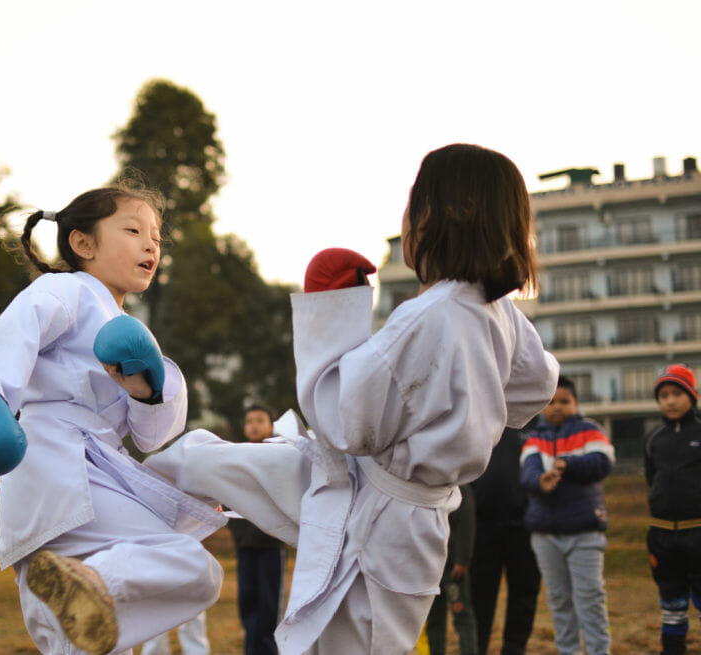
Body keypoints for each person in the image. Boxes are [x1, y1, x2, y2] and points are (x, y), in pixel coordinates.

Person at [146, 143, 560, 654]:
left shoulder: (431, 314)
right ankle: (117, 525)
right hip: (402, 506)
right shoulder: (498, 314)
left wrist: (331, 314)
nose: (406, 220)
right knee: (213, 461)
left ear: (443, 215)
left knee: (351, 645)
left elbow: (345, 424)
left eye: (413, 206)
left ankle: (114, 524)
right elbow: (536, 385)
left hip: (383, 513)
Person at [0, 183, 226, 655]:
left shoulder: (131, 329)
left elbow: (153, 435)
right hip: (57, 464)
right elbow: (13, 337)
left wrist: (146, 390)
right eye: (134, 230)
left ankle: (90, 583)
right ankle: (97, 579)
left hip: (87, 478)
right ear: (83, 243)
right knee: (192, 567)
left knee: (83, 642)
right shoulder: (66, 289)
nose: (151, 244)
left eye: (157, 237)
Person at [521, 375, 614, 655]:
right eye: (550, 402)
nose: (557, 407)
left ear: (576, 403)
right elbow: (527, 473)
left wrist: (567, 465)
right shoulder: (534, 438)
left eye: (564, 401)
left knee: (590, 598)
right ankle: (568, 650)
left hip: (585, 531)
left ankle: (599, 650)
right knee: (559, 600)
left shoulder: (591, 431)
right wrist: (541, 481)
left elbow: (603, 462)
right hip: (545, 535)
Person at [643, 363, 701, 655]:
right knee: (672, 604)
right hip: (663, 536)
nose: (670, 400)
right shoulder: (654, 439)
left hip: (698, 532)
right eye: (663, 395)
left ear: (692, 395)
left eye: (677, 393)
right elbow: (651, 478)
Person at [469, 427, 541, 655]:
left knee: (524, 592)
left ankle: (514, 648)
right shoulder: (481, 419)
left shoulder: (535, 425)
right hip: (482, 527)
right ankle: (476, 647)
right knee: (479, 594)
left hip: (524, 526)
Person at [228, 404, 285, 655]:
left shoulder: (281, 457)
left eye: (260, 420)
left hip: (271, 545)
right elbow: (229, 498)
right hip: (245, 545)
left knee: (268, 607)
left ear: (272, 426)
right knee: (247, 603)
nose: (253, 425)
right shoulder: (237, 457)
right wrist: (238, 534)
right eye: (249, 420)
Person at [425, 484, 477, 655]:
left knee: (461, 615)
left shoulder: (460, 488)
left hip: (453, 568)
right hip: (431, 567)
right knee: (433, 619)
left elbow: (467, 523)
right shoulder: (427, 484)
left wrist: (463, 560)